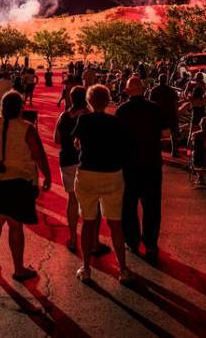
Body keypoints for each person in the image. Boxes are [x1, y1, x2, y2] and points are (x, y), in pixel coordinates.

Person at [0, 91, 51, 281]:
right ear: (20, 107)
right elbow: (38, 155)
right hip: (18, 181)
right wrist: (47, 176)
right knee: (15, 225)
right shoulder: (26, 128)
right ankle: (18, 269)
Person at [71, 85, 134, 285]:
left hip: (88, 172)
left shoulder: (83, 119)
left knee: (89, 223)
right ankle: (123, 269)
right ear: (107, 101)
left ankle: (86, 268)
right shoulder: (116, 122)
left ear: (90, 101)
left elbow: (77, 143)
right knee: (115, 223)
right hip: (111, 173)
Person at [116, 75, 166, 263]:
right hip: (152, 163)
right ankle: (151, 243)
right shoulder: (155, 109)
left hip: (129, 165)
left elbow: (117, 138)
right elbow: (165, 132)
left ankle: (132, 240)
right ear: (143, 89)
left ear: (128, 90)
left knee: (129, 206)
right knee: (152, 205)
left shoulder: (122, 110)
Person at [54, 85, 88, 252]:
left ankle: (73, 238)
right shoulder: (88, 115)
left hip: (67, 159)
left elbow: (56, 139)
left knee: (72, 199)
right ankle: (92, 241)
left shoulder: (64, 116)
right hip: (85, 161)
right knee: (89, 201)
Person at [147, 74, 179, 156]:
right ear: (166, 80)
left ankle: (154, 150)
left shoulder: (154, 90)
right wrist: (176, 113)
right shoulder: (171, 90)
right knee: (173, 132)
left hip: (158, 114)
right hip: (170, 114)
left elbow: (150, 103)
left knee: (156, 133)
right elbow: (175, 102)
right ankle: (174, 150)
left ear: (159, 80)